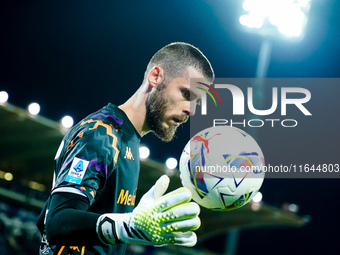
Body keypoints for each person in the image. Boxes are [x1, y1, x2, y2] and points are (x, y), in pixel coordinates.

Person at [37, 42, 215, 255]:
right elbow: (57, 221)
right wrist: (129, 226)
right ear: (155, 77)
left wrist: (137, 230)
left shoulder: (128, 139)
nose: (191, 110)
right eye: (186, 94)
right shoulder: (100, 134)